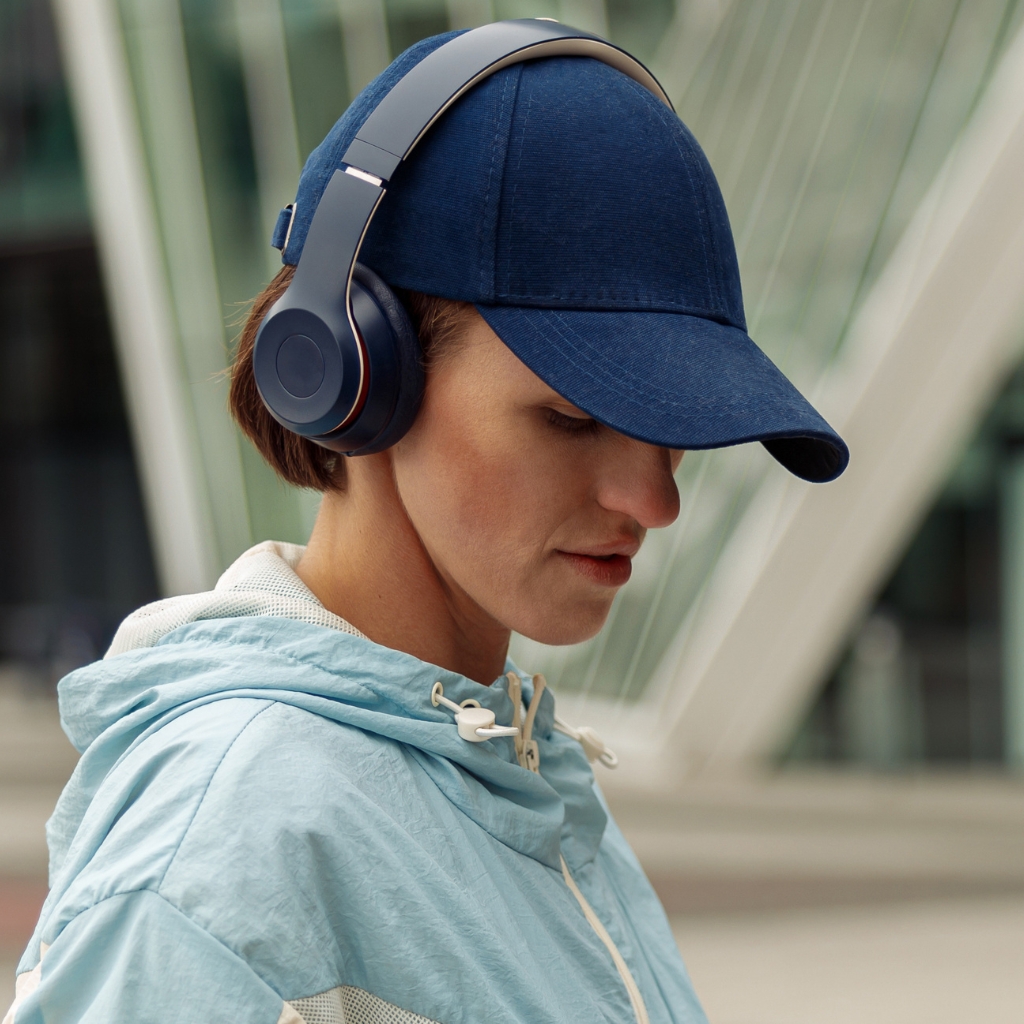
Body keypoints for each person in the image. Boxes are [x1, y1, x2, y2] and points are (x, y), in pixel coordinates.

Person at [5, 22, 847, 1024]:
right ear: (354, 368)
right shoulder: (228, 853)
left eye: (673, 432)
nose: (654, 501)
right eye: (572, 418)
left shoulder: (521, 787)